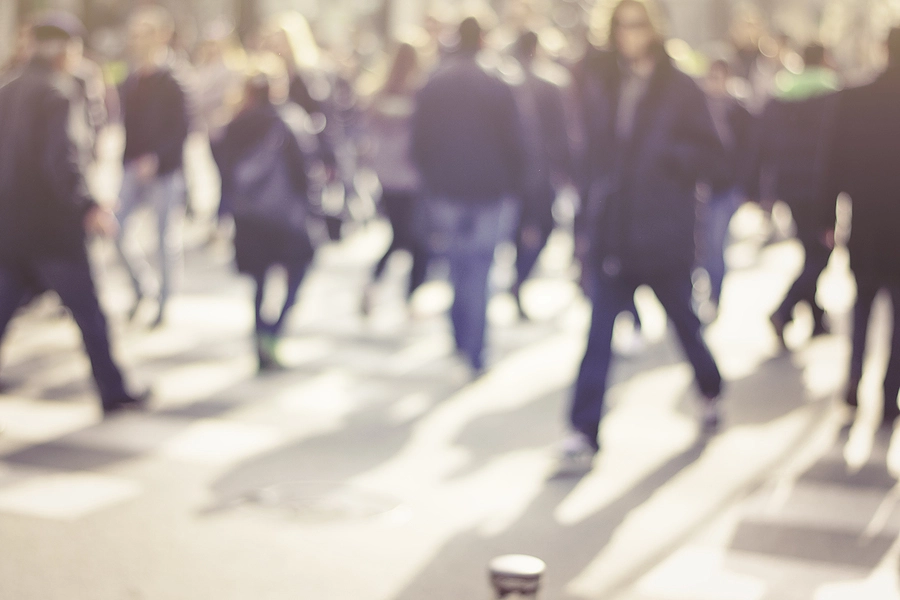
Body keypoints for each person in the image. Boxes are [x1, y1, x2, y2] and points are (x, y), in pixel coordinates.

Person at [562, 0, 728, 469]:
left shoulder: (680, 86)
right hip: (613, 230)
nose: (628, 34)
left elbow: (716, 157)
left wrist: (670, 160)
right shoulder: (602, 80)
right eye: (620, 26)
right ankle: (582, 429)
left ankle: (710, 388)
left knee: (684, 323)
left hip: (663, 232)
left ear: (653, 29)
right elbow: (588, 150)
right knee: (598, 336)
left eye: (637, 25)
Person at [0, 13, 146, 416]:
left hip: (10, 226)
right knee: (89, 313)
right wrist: (89, 205)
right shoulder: (58, 94)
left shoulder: (7, 89)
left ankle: (115, 389)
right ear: (66, 51)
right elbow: (62, 161)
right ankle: (113, 391)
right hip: (52, 230)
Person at [411, 16, 526, 373]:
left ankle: (464, 339)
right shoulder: (497, 81)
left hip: (449, 190)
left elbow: (419, 142)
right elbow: (517, 142)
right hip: (488, 192)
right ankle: (473, 346)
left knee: (459, 265)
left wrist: (431, 180)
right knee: (478, 268)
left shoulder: (436, 82)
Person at [212, 68, 315, 371]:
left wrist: (223, 213)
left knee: (258, 283)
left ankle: (260, 336)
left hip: (247, 216)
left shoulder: (233, 125)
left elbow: (224, 173)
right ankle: (273, 333)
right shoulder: (288, 121)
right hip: (285, 216)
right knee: (297, 273)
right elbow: (304, 170)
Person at [826, 28, 900, 427]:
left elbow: (832, 160)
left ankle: (853, 381)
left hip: (867, 224)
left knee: (863, 306)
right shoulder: (854, 97)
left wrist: (826, 214)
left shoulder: (856, 98)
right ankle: (890, 395)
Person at [759, 43, 840, 347]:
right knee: (821, 251)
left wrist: (760, 187)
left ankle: (817, 318)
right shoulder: (834, 95)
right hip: (822, 185)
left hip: (789, 185)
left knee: (812, 249)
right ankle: (784, 310)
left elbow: (763, 142)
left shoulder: (782, 95)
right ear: (824, 60)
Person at [114, 5, 190, 328]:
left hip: (165, 170)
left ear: (161, 35)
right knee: (115, 229)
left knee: (163, 239)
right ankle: (141, 287)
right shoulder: (130, 79)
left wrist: (157, 158)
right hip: (132, 167)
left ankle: (164, 302)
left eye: (145, 33)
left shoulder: (173, 79)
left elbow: (182, 129)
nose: (138, 40)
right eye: (135, 34)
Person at [508, 29, 574, 319]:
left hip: (513, 171)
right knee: (544, 226)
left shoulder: (507, 79)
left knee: (520, 229)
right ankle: (518, 279)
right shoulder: (550, 82)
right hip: (539, 170)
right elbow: (562, 134)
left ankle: (517, 278)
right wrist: (568, 170)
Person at [360, 42, 429, 315]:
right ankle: (410, 296)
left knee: (401, 236)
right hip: (413, 176)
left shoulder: (379, 94)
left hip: (386, 176)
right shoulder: (420, 94)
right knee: (412, 238)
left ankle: (378, 286)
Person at [697, 59, 754, 319]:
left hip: (726, 188)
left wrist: (744, 186)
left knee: (716, 244)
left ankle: (715, 294)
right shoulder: (695, 109)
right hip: (699, 188)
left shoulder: (739, 111)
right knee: (700, 245)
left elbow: (749, 152)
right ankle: (700, 290)